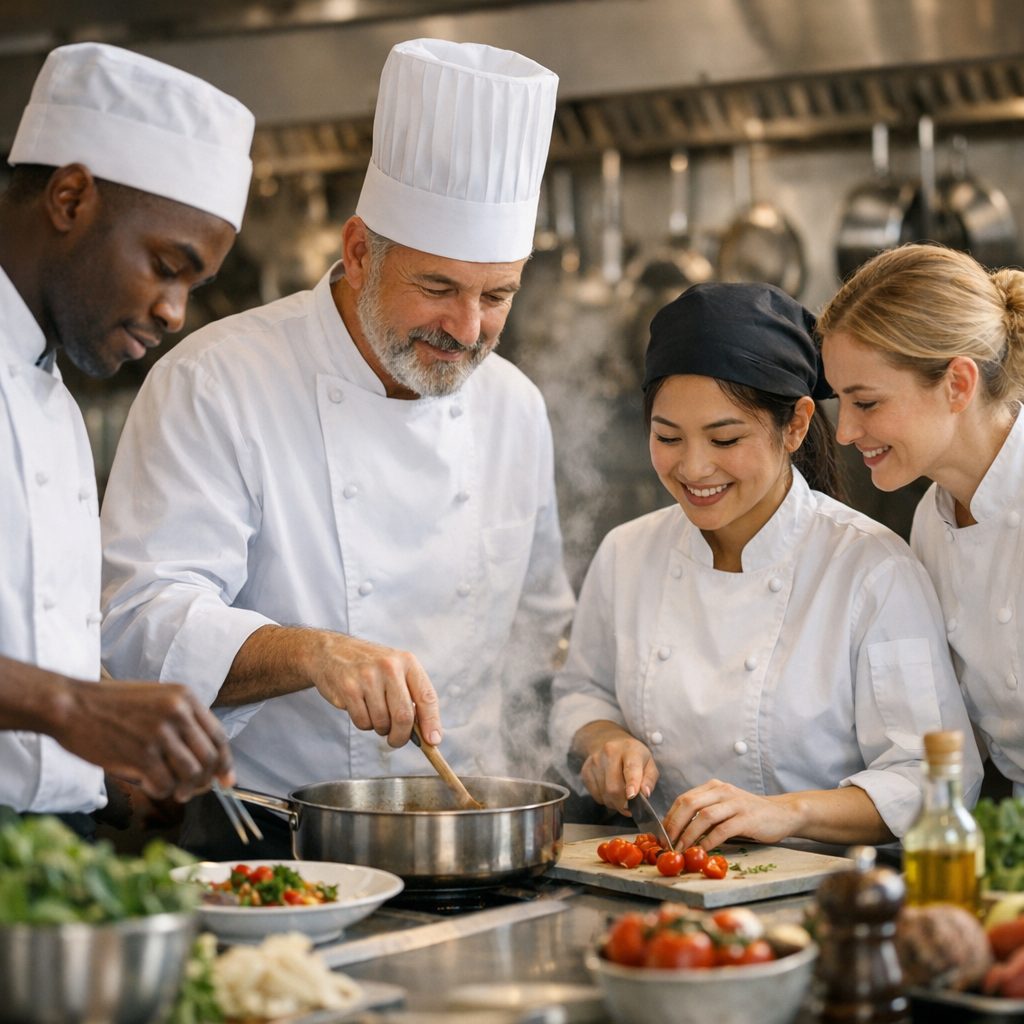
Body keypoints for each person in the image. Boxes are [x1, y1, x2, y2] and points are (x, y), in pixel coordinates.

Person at [100, 38, 575, 857]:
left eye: (497, 295)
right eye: (437, 288)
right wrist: (314, 652)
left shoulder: (514, 408)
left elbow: (539, 636)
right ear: (359, 252)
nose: (467, 331)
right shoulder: (217, 381)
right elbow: (141, 622)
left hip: (473, 840)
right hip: (266, 845)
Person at [549, 282, 981, 850]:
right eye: (668, 436)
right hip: (660, 885)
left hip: (824, 902)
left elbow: (931, 778)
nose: (694, 467)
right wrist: (603, 740)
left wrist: (786, 814)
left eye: (725, 438)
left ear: (796, 425)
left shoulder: (870, 571)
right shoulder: (628, 552)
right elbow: (582, 691)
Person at [0, 41, 255, 818]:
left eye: (193, 285)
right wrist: (72, 708)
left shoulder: (52, 391)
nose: (175, 314)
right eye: (166, 265)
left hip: (50, 856)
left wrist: (120, 735)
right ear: (71, 199)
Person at [819, 242, 1024, 796]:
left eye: (867, 402)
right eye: (840, 400)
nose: (844, 432)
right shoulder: (931, 523)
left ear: (958, 384)